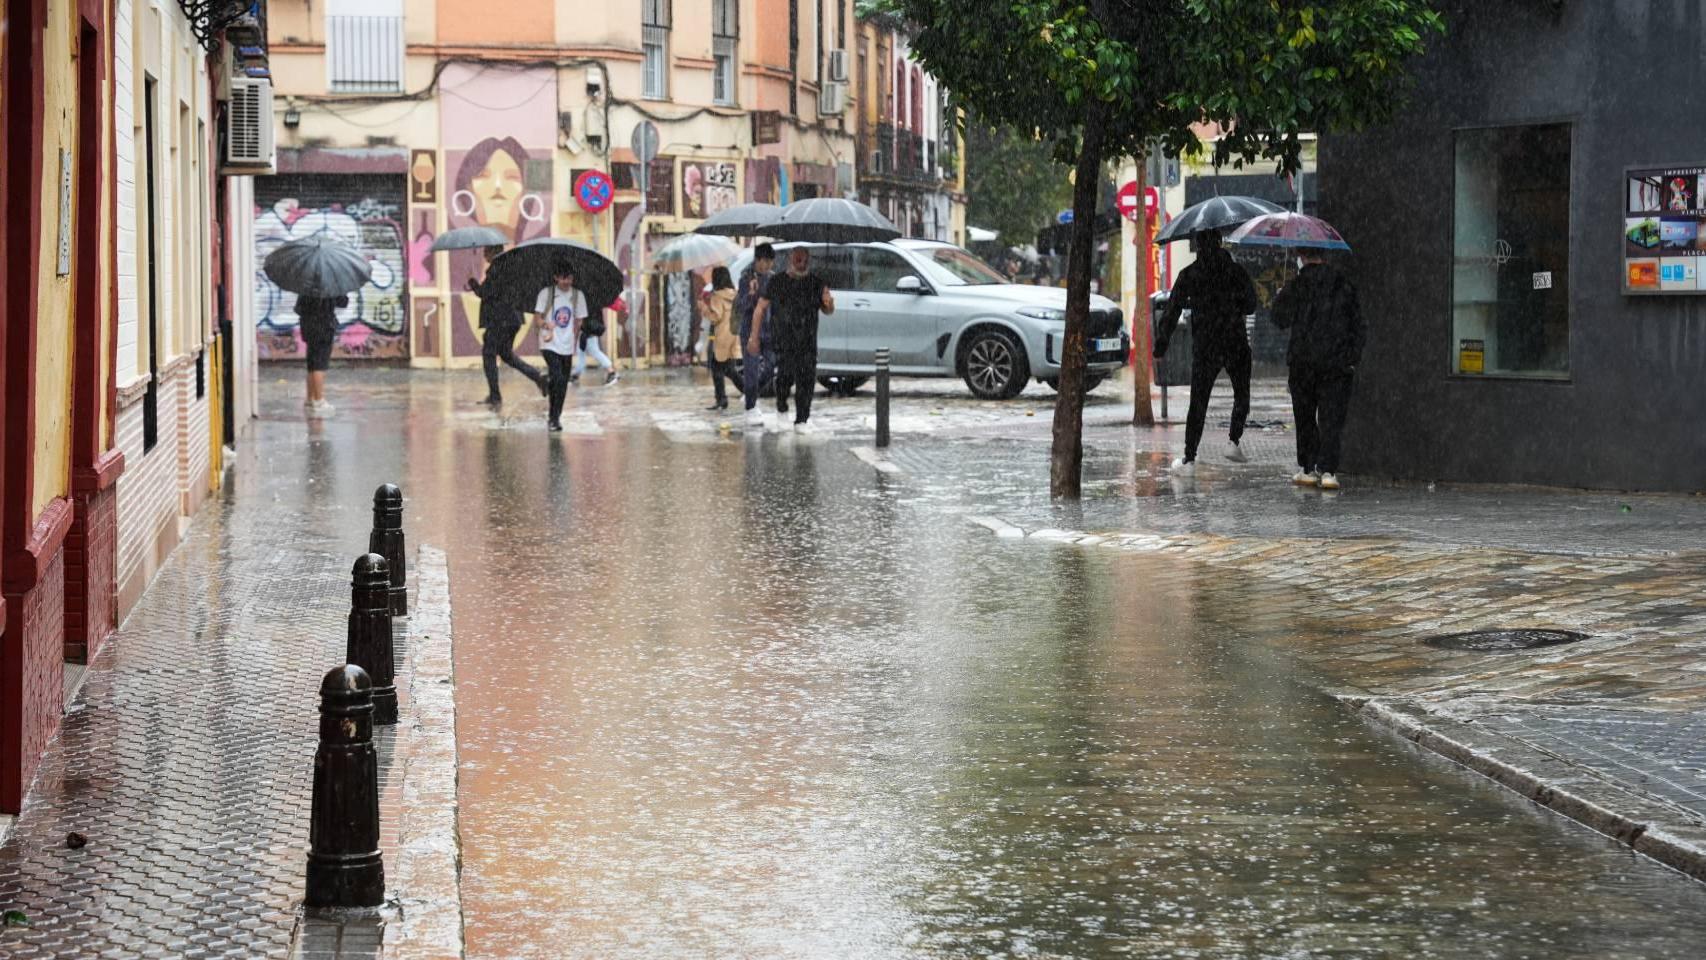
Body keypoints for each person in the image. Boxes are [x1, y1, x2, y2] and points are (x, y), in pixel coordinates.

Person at [1155, 229, 1258, 471]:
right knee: (1241, 393)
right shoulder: (1236, 271)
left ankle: (1190, 457)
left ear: (1197, 245)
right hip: (1235, 341)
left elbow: (1172, 311)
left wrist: (1162, 343)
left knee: (1198, 402)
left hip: (1206, 345)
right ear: (1220, 242)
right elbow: (1251, 306)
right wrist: (1234, 304)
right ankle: (1233, 440)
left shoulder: (1189, 274)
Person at [1270, 250, 1366, 491]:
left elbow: (1279, 319)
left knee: (1304, 416)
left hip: (1303, 364)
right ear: (1326, 255)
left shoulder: (1297, 286)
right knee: (1331, 419)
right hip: (1336, 364)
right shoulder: (1344, 285)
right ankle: (1329, 472)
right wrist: (1351, 357)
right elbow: (1359, 325)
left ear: (1302, 256)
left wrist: (1280, 297)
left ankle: (1307, 468)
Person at [749, 246, 834, 434]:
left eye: (804, 260)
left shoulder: (816, 283)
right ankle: (782, 408)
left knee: (807, 380)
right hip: (783, 340)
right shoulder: (777, 282)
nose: (801, 264)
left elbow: (828, 310)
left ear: (808, 261)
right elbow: (760, 309)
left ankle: (802, 419)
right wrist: (753, 337)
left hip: (808, 341)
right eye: (797, 260)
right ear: (790, 260)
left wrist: (829, 302)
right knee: (785, 377)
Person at [468, 245, 547, 406]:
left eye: (486, 252)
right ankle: (538, 378)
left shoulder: (496, 269)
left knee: (489, 354)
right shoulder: (512, 267)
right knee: (506, 354)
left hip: (499, 320)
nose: (484, 255)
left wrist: (473, 283)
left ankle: (495, 396)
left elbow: (485, 293)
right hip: (513, 319)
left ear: (493, 252)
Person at [532, 267, 584, 432]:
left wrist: (577, 334)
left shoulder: (578, 295)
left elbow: (579, 320)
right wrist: (546, 324)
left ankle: (555, 415)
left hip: (567, 345)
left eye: (569, 278)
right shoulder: (546, 294)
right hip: (549, 342)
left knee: (561, 383)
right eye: (563, 278)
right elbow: (537, 318)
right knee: (559, 377)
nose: (566, 282)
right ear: (555, 277)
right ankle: (553, 419)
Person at [736, 243, 777, 427]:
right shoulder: (746, 278)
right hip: (749, 331)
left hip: (768, 331)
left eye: (771, 263)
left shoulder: (773, 278)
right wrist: (752, 293)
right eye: (766, 262)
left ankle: (750, 392)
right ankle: (750, 408)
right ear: (758, 260)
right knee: (751, 369)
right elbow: (743, 306)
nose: (768, 266)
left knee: (771, 365)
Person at [297, 293, 348, 418]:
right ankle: (319, 401)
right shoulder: (330, 287)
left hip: (308, 326)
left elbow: (299, 308)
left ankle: (310, 399)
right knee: (320, 365)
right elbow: (343, 302)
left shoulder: (306, 285)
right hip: (324, 327)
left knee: (312, 363)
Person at [703, 266, 741, 411]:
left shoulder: (717, 296)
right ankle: (748, 392)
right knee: (729, 369)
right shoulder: (735, 294)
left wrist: (705, 309)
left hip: (721, 337)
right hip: (733, 334)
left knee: (717, 368)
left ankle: (722, 399)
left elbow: (715, 317)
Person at [573, 298, 619, 386]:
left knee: (594, 351)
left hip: (588, 330)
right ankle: (576, 375)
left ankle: (611, 372)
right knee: (582, 352)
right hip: (588, 330)